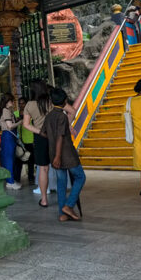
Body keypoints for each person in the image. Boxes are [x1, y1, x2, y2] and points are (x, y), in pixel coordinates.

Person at [42, 88, 85, 222]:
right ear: (65, 101)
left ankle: (62, 214)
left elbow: (43, 133)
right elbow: (61, 137)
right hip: (66, 154)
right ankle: (69, 205)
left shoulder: (49, 116)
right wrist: (58, 156)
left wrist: (53, 143)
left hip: (54, 153)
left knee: (61, 183)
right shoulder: (62, 116)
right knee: (80, 177)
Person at [23, 80, 52, 206]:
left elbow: (26, 124)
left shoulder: (29, 104)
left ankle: (44, 199)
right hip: (54, 136)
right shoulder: (51, 102)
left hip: (40, 139)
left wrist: (39, 131)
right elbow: (69, 111)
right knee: (60, 167)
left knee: (43, 169)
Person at [0, 93, 22, 190]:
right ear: (8, 101)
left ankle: (10, 180)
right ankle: (10, 181)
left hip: (8, 136)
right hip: (8, 136)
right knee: (9, 159)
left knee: (9, 158)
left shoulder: (6, 111)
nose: (13, 102)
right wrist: (21, 122)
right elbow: (10, 126)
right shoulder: (6, 111)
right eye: (12, 100)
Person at [17, 97, 35, 184]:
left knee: (31, 161)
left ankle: (31, 177)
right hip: (21, 141)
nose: (21, 105)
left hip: (30, 140)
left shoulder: (30, 114)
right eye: (19, 103)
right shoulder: (16, 113)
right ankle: (17, 179)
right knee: (19, 160)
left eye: (23, 103)